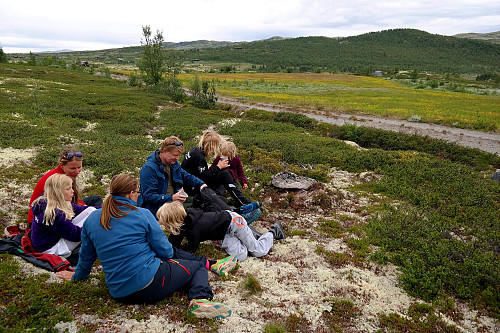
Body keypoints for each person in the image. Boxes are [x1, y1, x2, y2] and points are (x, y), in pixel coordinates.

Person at [56, 174, 234, 319]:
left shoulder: (93, 219)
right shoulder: (142, 214)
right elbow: (165, 251)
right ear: (131, 193)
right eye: (137, 192)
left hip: (118, 292)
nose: (138, 195)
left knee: (174, 263)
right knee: (197, 268)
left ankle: (213, 263)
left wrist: (76, 277)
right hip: (150, 285)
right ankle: (200, 299)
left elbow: (86, 258)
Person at [157, 201, 286, 262]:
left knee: (257, 251)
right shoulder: (184, 222)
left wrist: (175, 253)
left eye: (166, 223)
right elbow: (174, 241)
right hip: (222, 234)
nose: (165, 226)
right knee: (241, 256)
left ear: (173, 221)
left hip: (234, 223)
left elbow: (192, 248)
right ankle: (250, 236)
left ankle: (273, 232)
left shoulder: (194, 229)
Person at [30, 174, 97, 266]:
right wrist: (94, 227)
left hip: (54, 239)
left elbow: (80, 209)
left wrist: (105, 210)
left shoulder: (53, 200)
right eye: (68, 188)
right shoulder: (54, 213)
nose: (72, 191)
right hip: (51, 249)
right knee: (95, 221)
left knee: (92, 211)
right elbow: (75, 235)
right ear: (58, 192)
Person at [181, 131, 255, 209]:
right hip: (192, 188)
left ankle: (240, 201)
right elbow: (205, 177)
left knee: (224, 174)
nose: (215, 151)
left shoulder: (195, 151)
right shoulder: (199, 157)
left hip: (191, 183)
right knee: (224, 174)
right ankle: (243, 203)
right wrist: (218, 167)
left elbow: (202, 174)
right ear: (212, 146)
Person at [27, 148, 102, 224]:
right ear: (62, 166)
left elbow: (71, 202)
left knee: (95, 200)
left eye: (79, 167)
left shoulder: (65, 174)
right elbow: (64, 205)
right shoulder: (56, 180)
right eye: (73, 168)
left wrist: (87, 208)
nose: (77, 171)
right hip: (47, 216)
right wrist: (87, 209)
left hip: (61, 206)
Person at [138, 136, 207, 216]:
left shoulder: (172, 163)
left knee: (202, 204)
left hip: (173, 201)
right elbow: (149, 197)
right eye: (175, 155)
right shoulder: (149, 169)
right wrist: (171, 198)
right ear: (164, 151)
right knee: (196, 214)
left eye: (178, 156)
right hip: (158, 208)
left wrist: (201, 184)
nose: (177, 158)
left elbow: (185, 175)